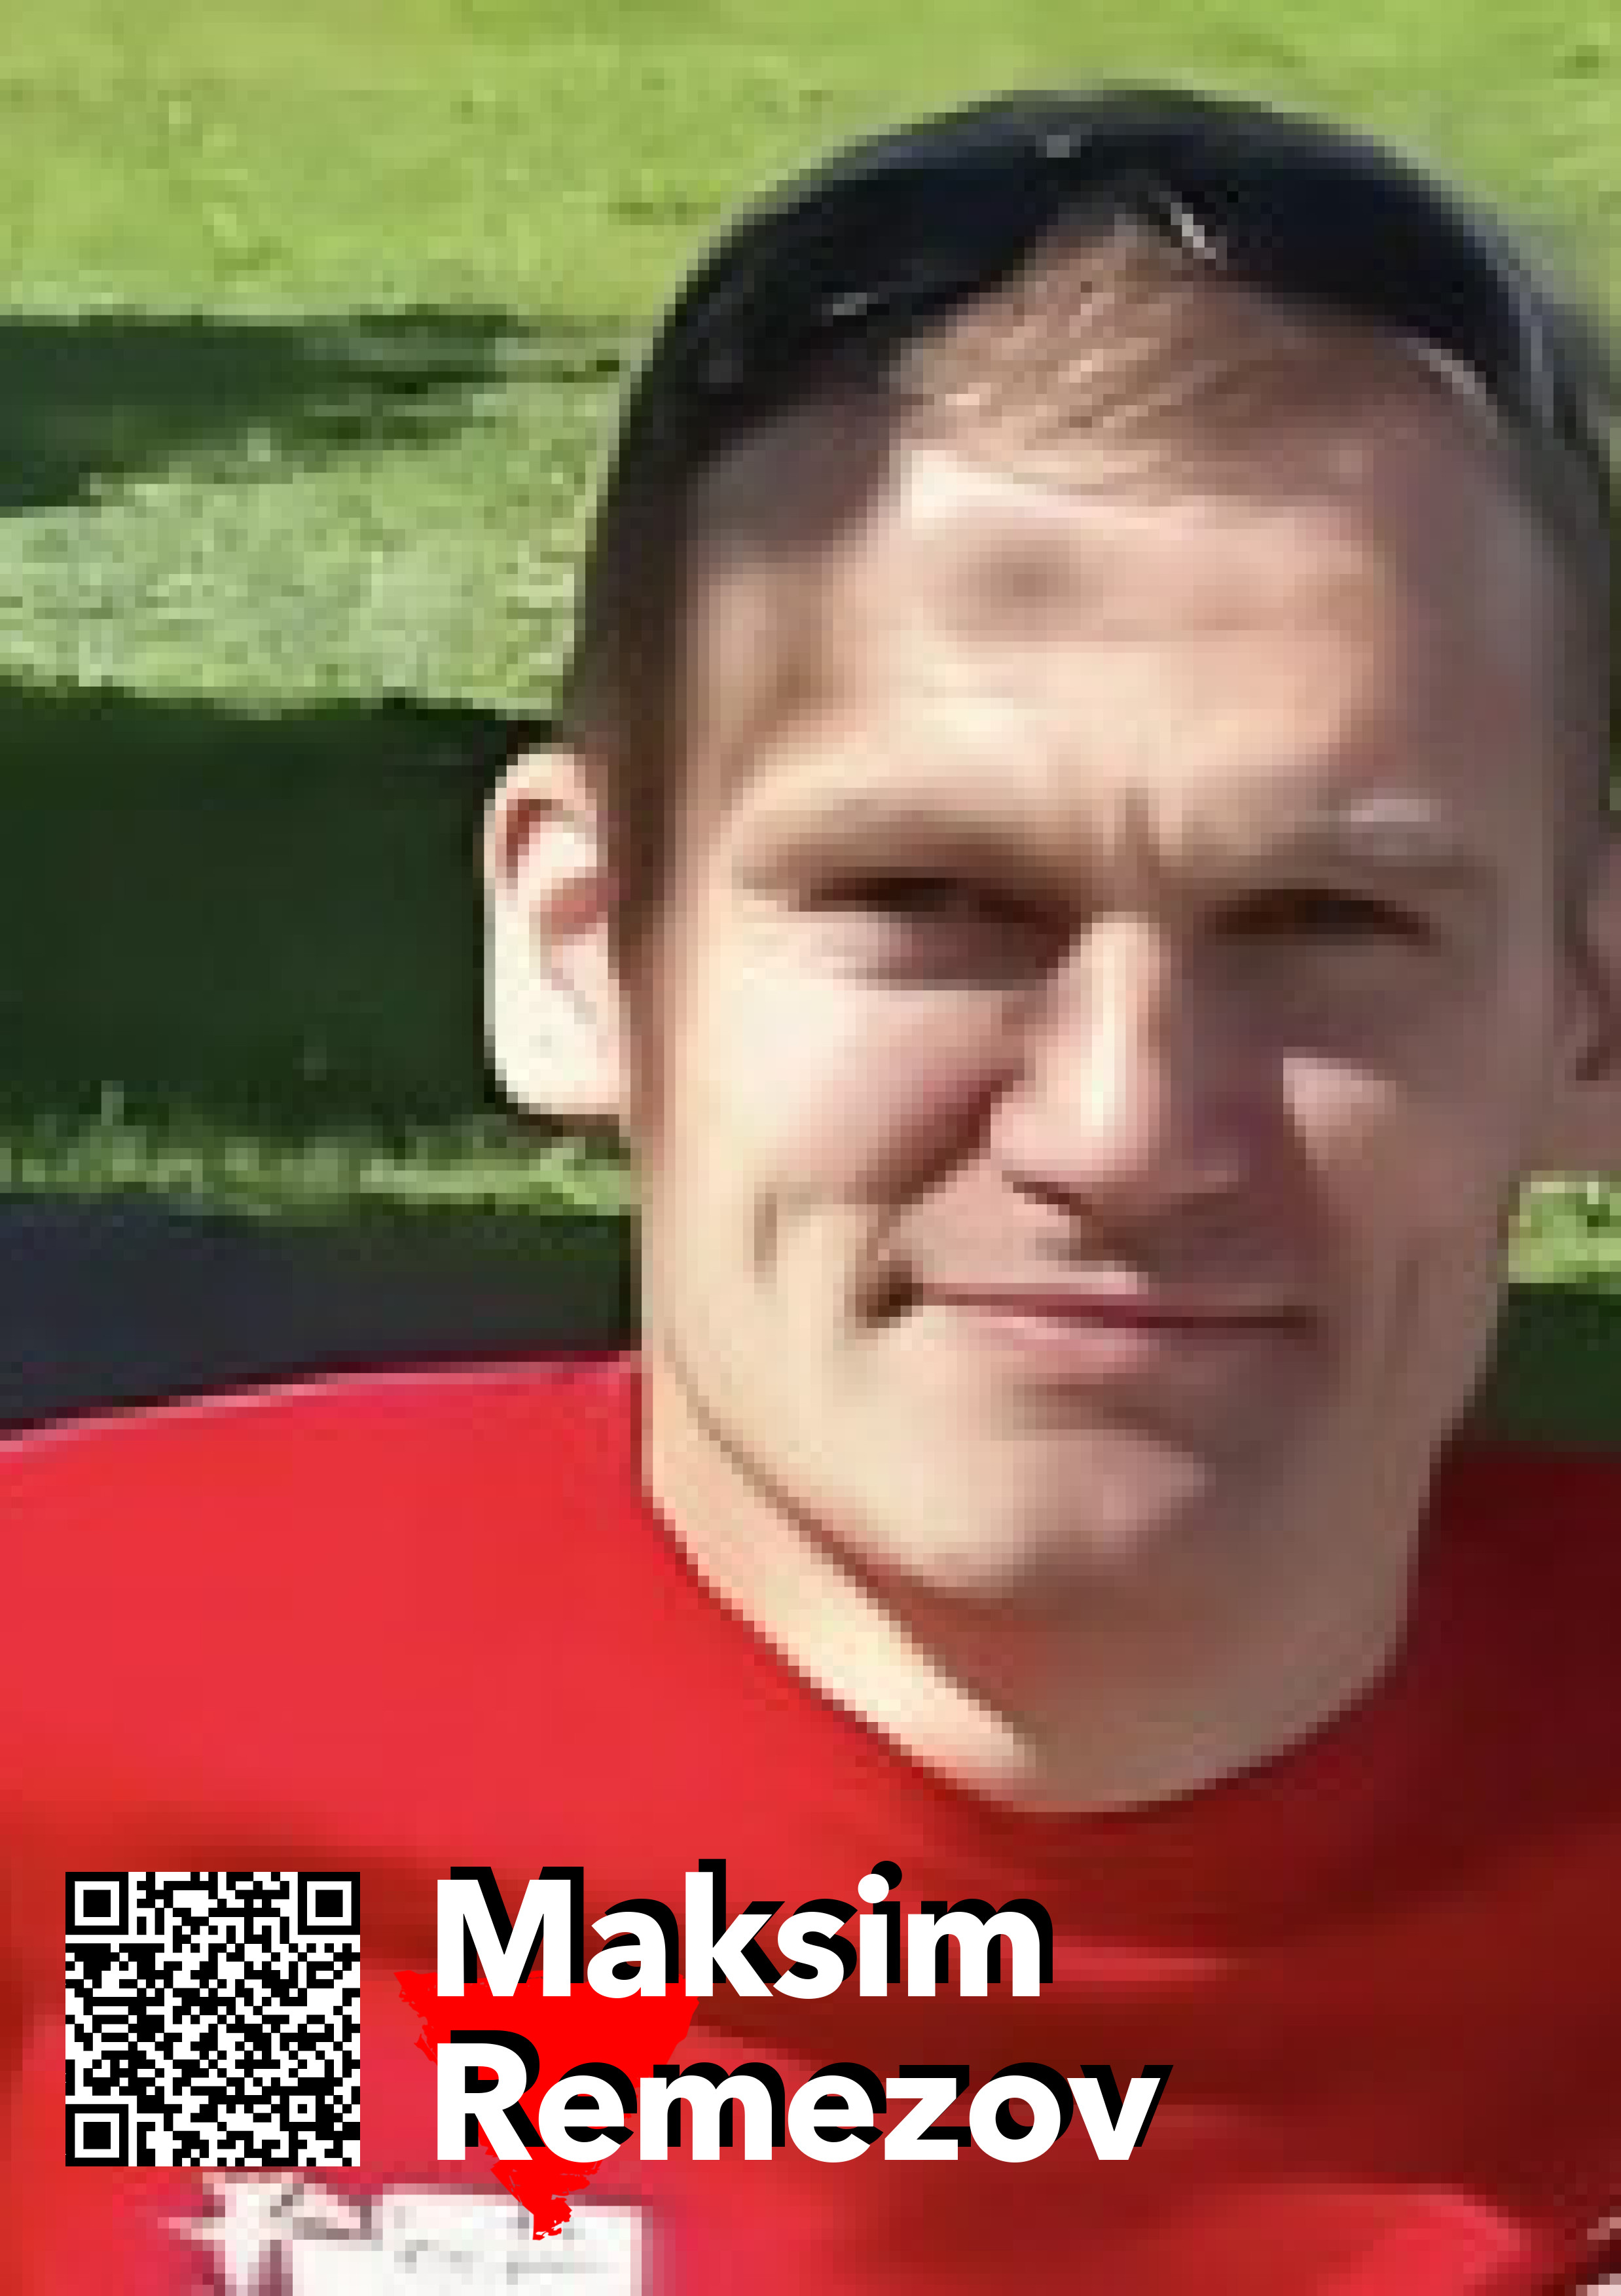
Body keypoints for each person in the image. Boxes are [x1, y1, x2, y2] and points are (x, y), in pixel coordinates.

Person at [5, 86, 1620, 2295]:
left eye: (1326, 923)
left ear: (1584, 1017)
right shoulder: (164, 1777)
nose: (1122, 1127)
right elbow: (210, 2216)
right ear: (585, 950)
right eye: (930, 899)